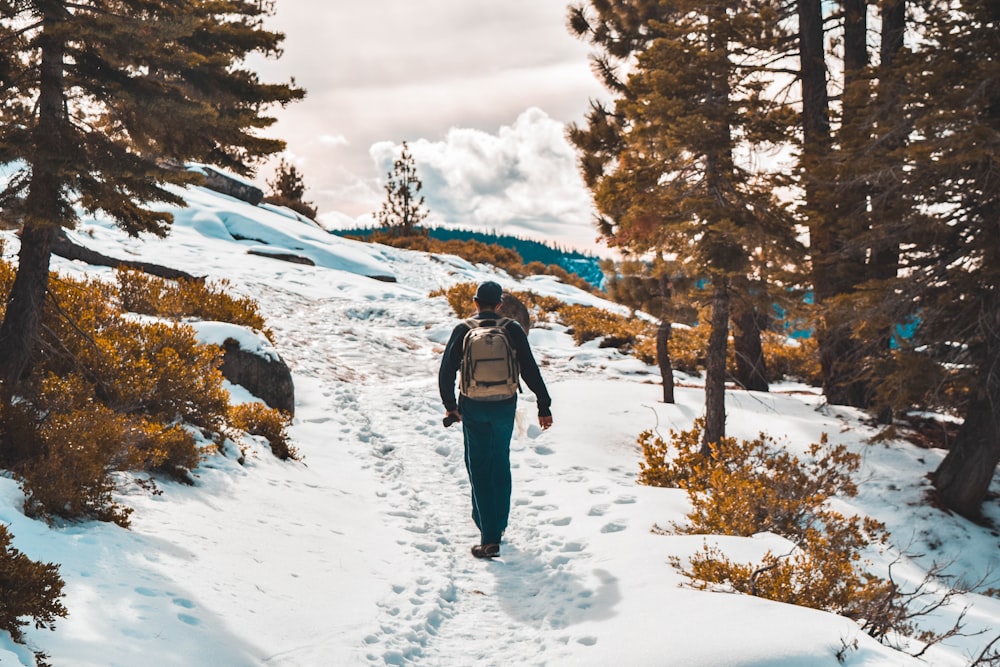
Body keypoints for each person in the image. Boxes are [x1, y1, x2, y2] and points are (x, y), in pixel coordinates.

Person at [439, 280, 553, 559]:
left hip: (473, 405)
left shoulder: (463, 329)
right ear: (500, 304)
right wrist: (544, 405)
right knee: (499, 461)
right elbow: (530, 370)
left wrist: (451, 407)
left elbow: (446, 373)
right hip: (504, 404)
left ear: (475, 302)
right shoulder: (511, 329)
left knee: (477, 465)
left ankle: (489, 536)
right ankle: (496, 524)